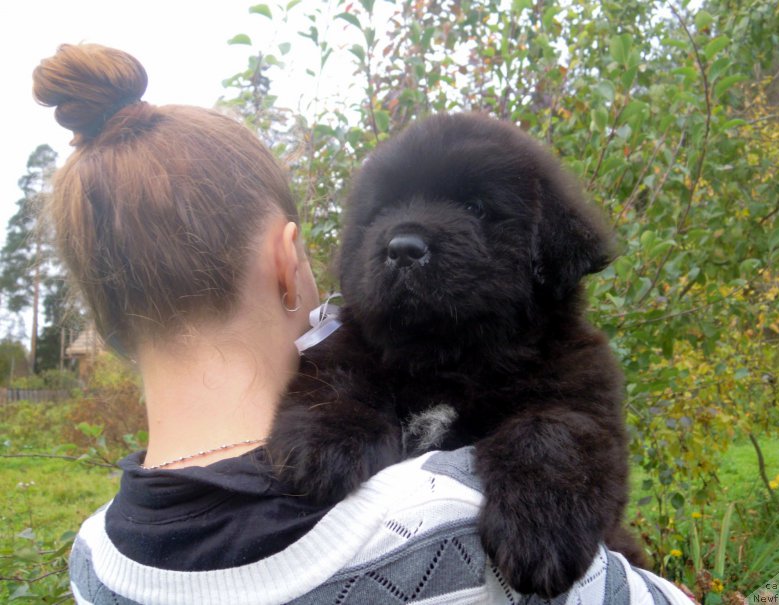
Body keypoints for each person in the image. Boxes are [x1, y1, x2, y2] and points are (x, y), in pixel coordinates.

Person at [34, 43, 694, 605]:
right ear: (291, 263)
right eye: (382, 213)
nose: (405, 239)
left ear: (551, 247)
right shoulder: (370, 407)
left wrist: (550, 463)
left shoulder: (96, 557)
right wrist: (341, 407)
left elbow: (576, 436)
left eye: (473, 206)